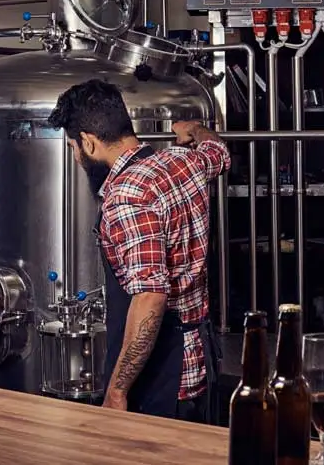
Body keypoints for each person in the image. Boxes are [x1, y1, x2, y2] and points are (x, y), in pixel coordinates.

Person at [48, 79, 231, 424]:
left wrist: (116, 391)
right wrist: (196, 129)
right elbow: (218, 153)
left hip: (161, 379)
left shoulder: (127, 196)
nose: (75, 156)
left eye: (73, 148)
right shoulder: (184, 162)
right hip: (201, 365)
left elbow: (150, 297)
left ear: (88, 141)